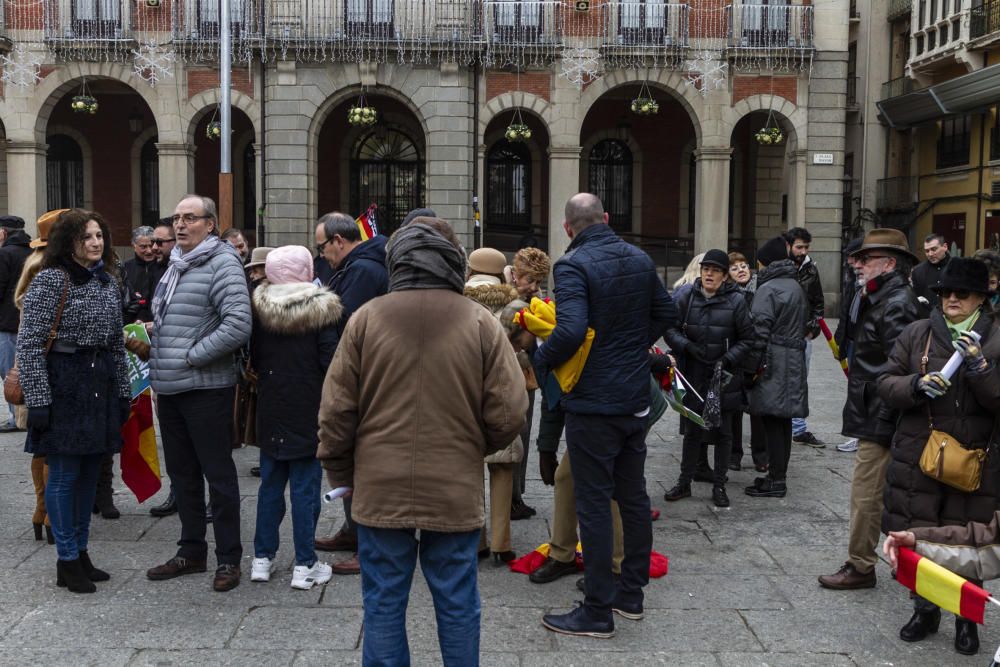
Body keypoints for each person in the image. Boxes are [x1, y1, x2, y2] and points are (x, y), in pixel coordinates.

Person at [317, 218, 526, 665]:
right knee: (456, 602)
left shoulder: (366, 319)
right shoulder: (480, 322)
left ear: (397, 263)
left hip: (379, 482)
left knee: (383, 601)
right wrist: (470, 447)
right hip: (452, 484)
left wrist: (342, 474)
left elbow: (336, 413)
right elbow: (509, 411)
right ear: (452, 262)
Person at [535, 193, 677, 638]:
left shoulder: (573, 264)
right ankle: (629, 595)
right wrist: (631, 347)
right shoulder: (638, 257)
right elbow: (667, 312)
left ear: (567, 228)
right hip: (633, 396)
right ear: (607, 218)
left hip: (594, 402)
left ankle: (596, 609)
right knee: (632, 496)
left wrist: (543, 362)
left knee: (593, 503)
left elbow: (572, 329)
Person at [876, 257, 1000, 657]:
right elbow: (885, 382)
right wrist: (915, 384)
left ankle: (967, 620)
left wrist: (980, 367)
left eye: (961, 294)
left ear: (982, 298)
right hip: (921, 455)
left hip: (976, 459)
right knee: (921, 532)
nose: (951, 299)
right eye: (945, 292)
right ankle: (924, 610)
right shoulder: (918, 333)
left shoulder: (997, 336)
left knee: (966, 537)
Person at [17, 208, 130, 593]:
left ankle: (81, 551)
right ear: (69, 243)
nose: (96, 243)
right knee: (64, 475)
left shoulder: (107, 283)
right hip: (62, 384)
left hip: (98, 383)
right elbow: (30, 344)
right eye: (87, 237)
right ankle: (66, 559)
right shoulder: (49, 280)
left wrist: (123, 392)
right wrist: (39, 400)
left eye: (99, 236)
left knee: (87, 475)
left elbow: (116, 344)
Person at [145, 194, 252, 593]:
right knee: (183, 475)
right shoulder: (176, 264)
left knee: (218, 476)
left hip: (205, 388)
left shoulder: (222, 262)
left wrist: (191, 356)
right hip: (170, 387)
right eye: (176, 218)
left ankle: (228, 558)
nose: (180, 225)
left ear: (210, 224)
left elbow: (238, 324)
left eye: (190, 218)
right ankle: (191, 551)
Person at [818, 229, 921, 590]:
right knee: (884, 494)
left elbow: (903, 368)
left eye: (866, 259)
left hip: (883, 414)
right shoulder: (878, 295)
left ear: (889, 264)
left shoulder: (896, 302)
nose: (858, 265)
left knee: (866, 494)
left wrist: (885, 417)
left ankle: (861, 565)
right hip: (876, 409)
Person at [249, 245, 342, 589]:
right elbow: (331, 362)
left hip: (272, 404)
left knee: (270, 486)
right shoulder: (321, 308)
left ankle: (262, 559)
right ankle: (305, 564)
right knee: (305, 488)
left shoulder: (260, 307)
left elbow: (255, 357)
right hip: (309, 407)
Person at [311, 211, 389, 574]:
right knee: (347, 454)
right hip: (358, 376)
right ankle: (352, 531)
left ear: (339, 241)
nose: (322, 254)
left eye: (322, 246)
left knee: (360, 460)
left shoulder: (363, 270)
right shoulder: (358, 266)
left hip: (360, 378)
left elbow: (347, 323)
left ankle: (366, 543)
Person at [663, 249, 754, 508]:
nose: (709, 274)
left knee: (724, 432)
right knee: (692, 431)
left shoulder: (736, 301)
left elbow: (749, 339)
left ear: (725, 276)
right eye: (706, 270)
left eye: (715, 271)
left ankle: (719, 484)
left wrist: (727, 359)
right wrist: (685, 346)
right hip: (692, 374)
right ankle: (684, 482)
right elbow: (668, 329)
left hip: (722, 378)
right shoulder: (686, 297)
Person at [744, 236, 809, 499]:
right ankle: (777, 475)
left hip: (773, 360)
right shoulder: (794, 285)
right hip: (792, 359)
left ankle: (776, 479)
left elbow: (759, 329)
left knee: (772, 420)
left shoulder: (768, 288)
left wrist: (750, 368)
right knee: (783, 421)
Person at [16, 211, 61, 544]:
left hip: (32, 359)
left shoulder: (34, 263)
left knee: (40, 444)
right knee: (51, 445)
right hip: (50, 362)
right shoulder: (48, 269)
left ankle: (41, 509)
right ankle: (48, 513)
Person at [506, 247, 551, 520]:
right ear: (515, 275)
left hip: (528, 375)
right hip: (513, 375)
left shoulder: (533, 300)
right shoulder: (508, 301)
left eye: (538, 281)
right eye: (529, 280)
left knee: (523, 436)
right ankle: (511, 499)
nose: (533, 286)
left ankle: (517, 495)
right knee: (514, 438)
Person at [782, 227, 825, 448]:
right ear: (788, 246)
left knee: (800, 382)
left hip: (802, 336)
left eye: (806, 247)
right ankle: (775, 427)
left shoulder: (811, 269)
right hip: (779, 336)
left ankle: (798, 429)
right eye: (799, 247)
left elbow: (818, 302)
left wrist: (812, 328)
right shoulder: (778, 267)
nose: (803, 251)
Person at [727, 251, 767, 472]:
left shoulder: (762, 291)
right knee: (734, 410)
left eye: (743, 265)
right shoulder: (729, 295)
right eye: (734, 268)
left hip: (758, 357)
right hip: (736, 357)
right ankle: (734, 454)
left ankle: (761, 456)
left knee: (758, 410)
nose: (741, 269)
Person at [0, 214, 31, 433]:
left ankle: (18, 416)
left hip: (7, 322)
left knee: (10, 372)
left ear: (3, 232)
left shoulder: (4, 254)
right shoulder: (32, 252)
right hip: (24, 320)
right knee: (22, 369)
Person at [834, 237, 864, 454]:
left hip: (864, 344)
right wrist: (841, 339)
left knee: (861, 391)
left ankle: (861, 435)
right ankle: (857, 434)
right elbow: (846, 311)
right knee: (854, 390)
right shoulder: (853, 279)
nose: (851, 263)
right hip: (853, 341)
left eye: (854, 257)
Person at [122, 226, 164, 323]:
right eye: (143, 247)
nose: (149, 251)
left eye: (151, 245)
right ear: (134, 246)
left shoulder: (164, 267)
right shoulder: (124, 268)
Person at [911, 233, 951, 306]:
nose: (930, 254)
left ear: (945, 247)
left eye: (934, 249)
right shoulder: (918, 271)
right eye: (927, 251)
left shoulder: (957, 267)